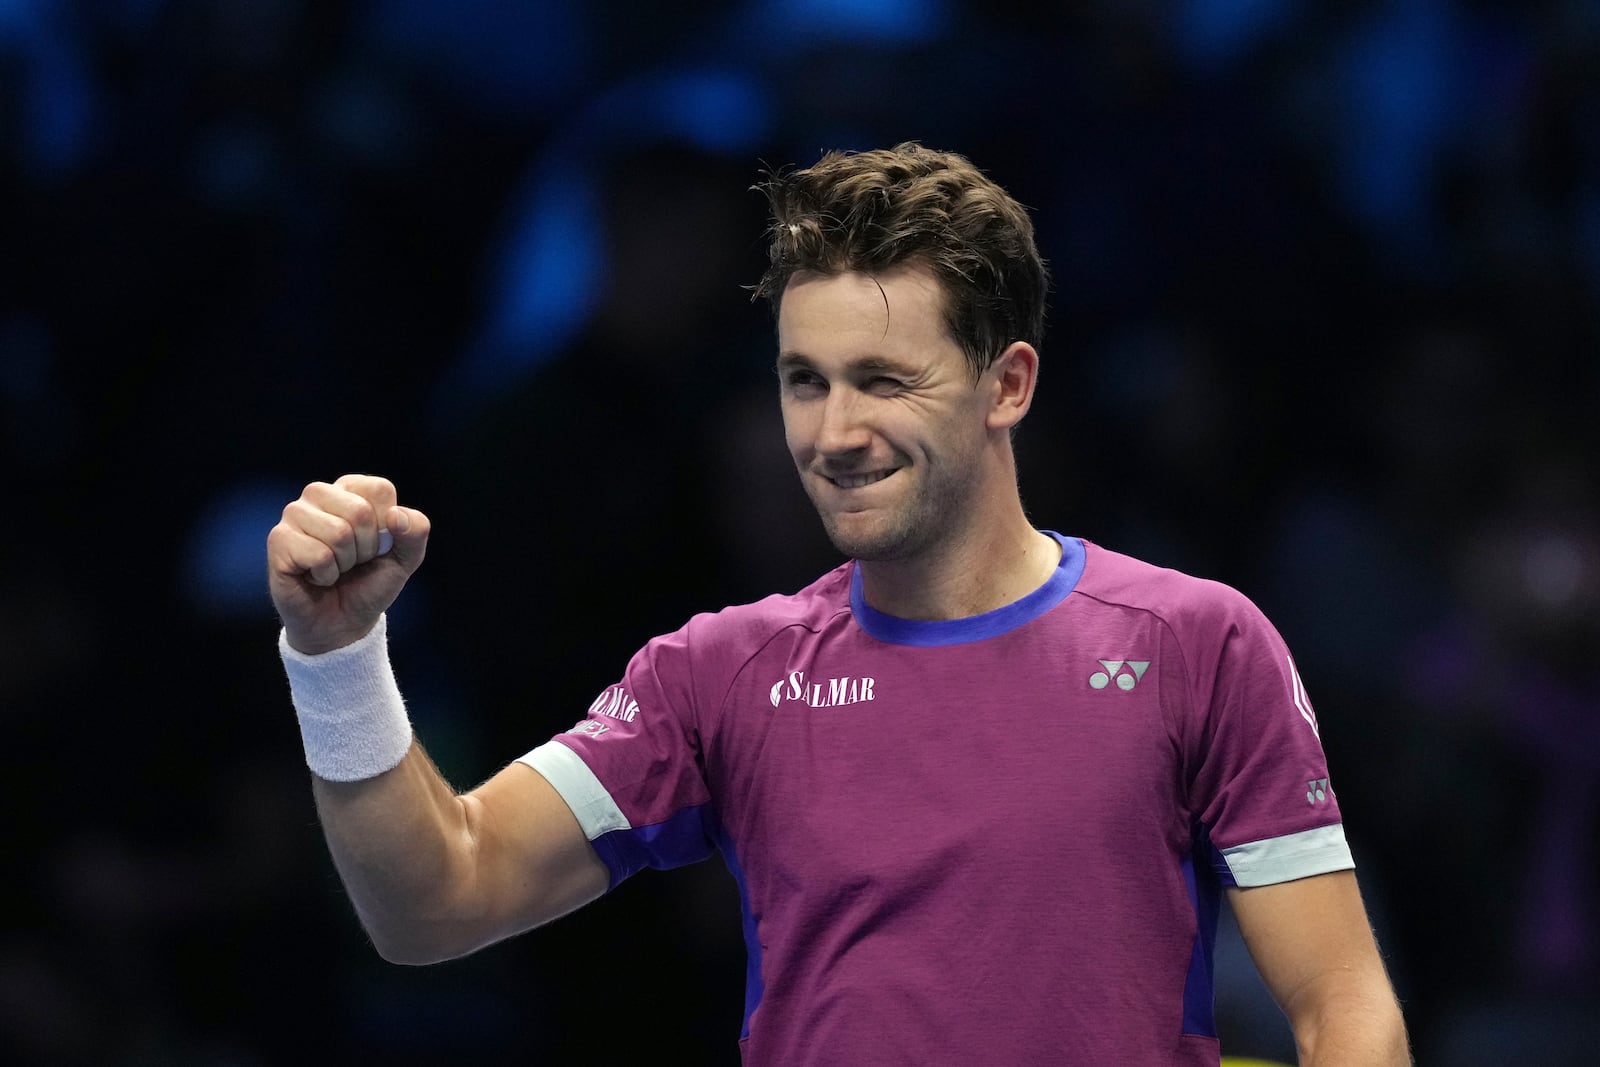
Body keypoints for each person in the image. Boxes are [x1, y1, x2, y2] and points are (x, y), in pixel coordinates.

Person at [267, 143, 1410, 1065]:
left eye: (884, 380)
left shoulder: (1195, 642)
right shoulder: (719, 672)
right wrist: (335, 656)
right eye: (803, 380)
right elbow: (434, 902)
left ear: (1006, 383)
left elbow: (1343, 1008)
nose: (830, 433)